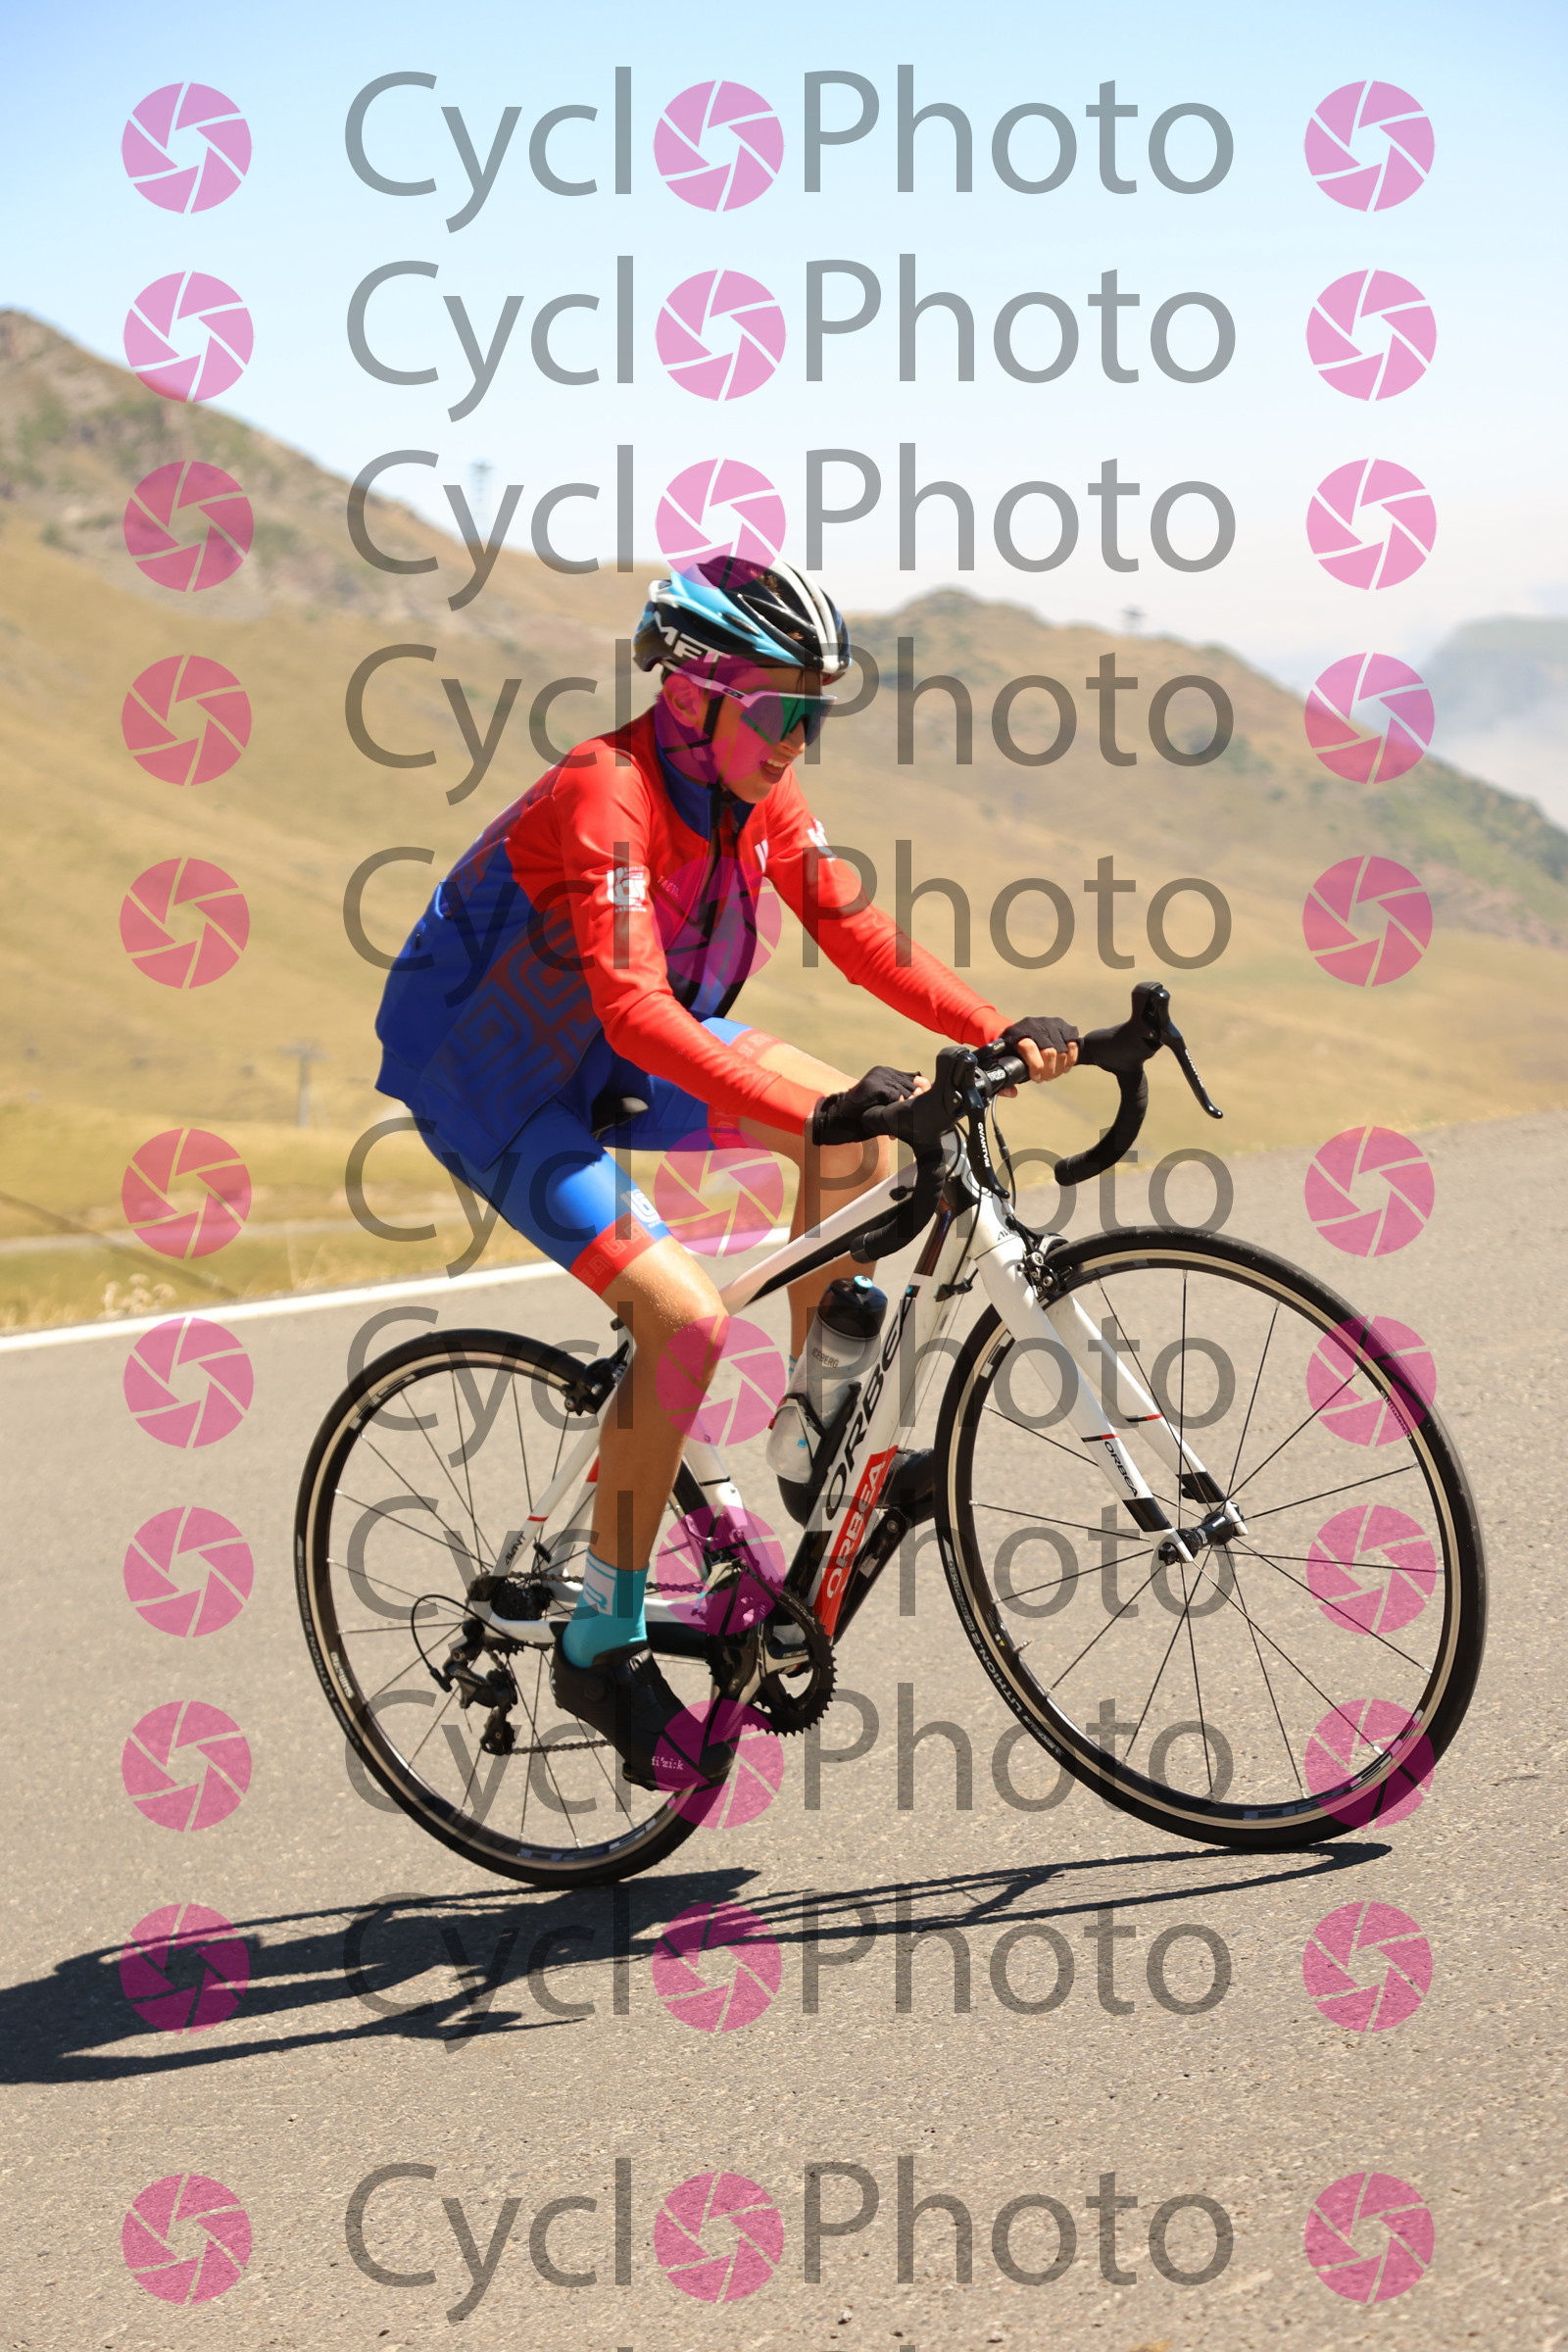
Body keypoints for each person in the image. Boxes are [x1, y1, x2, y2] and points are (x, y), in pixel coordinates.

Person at [374, 556, 1078, 1787]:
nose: (797, 739)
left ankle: (811, 1431)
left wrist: (994, 1031)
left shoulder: (761, 792)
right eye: (777, 709)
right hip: (496, 1082)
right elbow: (636, 1007)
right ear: (693, 695)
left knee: (860, 1135)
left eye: (815, 712)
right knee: (686, 1318)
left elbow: (852, 930)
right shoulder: (606, 792)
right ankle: (600, 1638)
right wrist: (815, 1103)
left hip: (617, 1050)